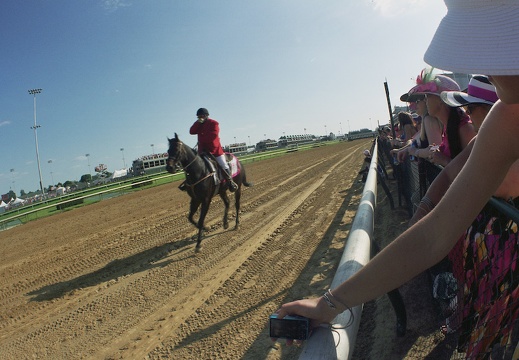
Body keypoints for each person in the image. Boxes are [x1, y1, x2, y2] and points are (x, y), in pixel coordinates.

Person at [275, 1, 519, 358]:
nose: (483, 64)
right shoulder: (506, 118)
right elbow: (435, 233)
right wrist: (331, 302)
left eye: (493, 44)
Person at [408, 72, 477, 167]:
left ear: (441, 99)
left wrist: (445, 161)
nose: (425, 101)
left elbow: (475, 170)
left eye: (427, 96)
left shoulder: (465, 129)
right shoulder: (447, 128)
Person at [189, 108, 238, 192]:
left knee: (223, 164)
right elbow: (191, 131)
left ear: (206, 116)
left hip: (214, 150)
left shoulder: (214, 123)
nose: (200, 118)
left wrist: (202, 139)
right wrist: (197, 123)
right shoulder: (199, 124)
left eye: (202, 116)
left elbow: (213, 136)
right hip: (202, 151)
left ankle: (230, 182)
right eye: (198, 116)